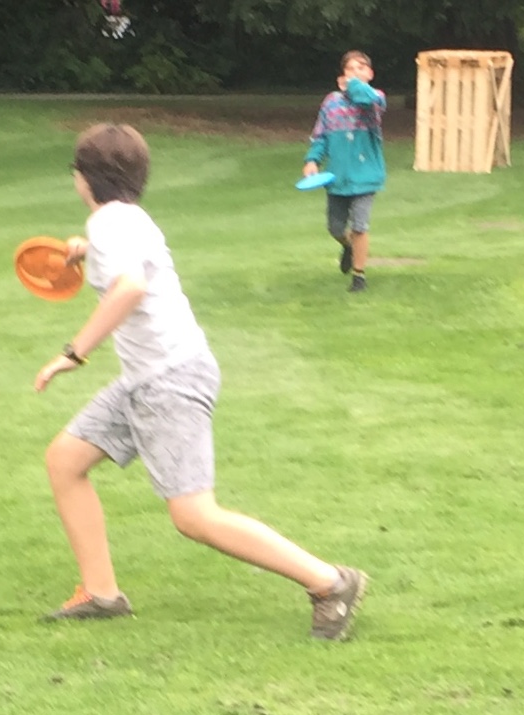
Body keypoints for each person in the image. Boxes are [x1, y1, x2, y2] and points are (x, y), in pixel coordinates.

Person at [35, 122, 368, 640]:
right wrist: (83, 249)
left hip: (169, 380)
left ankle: (330, 582)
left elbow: (129, 289)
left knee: (194, 515)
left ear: (85, 178)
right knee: (65, 459)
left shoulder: (110, 226)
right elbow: (123, 260)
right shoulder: (122, 221)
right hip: (147, 377)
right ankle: (101, 593)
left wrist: (73, 354)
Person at [303, 50, 387, 293]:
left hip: (366, 176)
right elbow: (321, 137)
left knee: (360, 225)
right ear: (341, 77)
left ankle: (359, 276)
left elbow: (363, 98)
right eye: (350, 69)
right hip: (338, 177)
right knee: (335, 228)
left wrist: (354, 85)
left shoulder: (375, 98)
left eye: (361, 68)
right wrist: (312, 160)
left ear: (370, 74)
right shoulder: (331, 103)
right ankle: (348, 246)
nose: (356, 73)